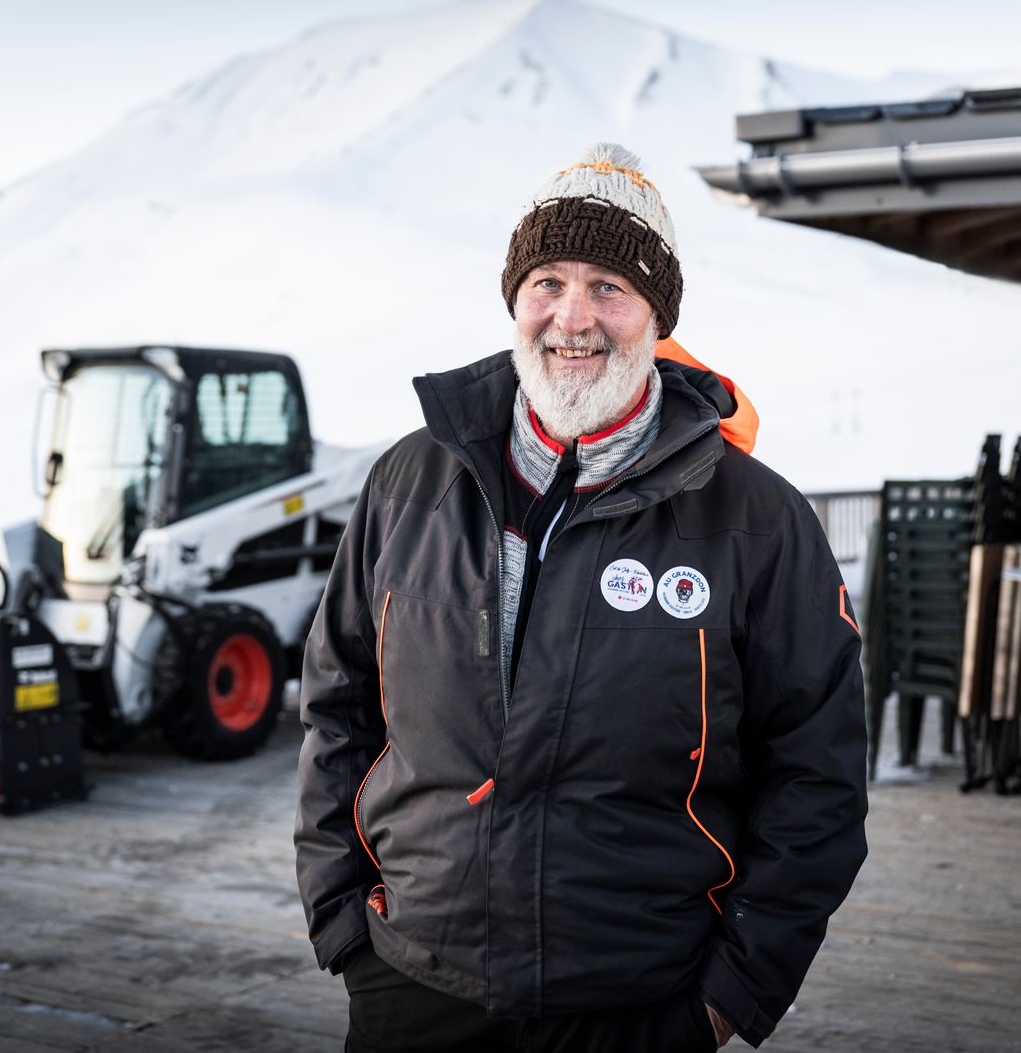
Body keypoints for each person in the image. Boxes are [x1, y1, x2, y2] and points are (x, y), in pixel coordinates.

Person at [295, 143, 867, 1052]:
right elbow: (338, 710)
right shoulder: (411, 482)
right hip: (413, 982)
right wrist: (342, 923)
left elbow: (818, 778)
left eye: (610, 286)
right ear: (514, 298)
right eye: (549, 281)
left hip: (642, 1000)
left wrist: (728, 996)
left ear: (655, 315)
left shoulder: (757, 522)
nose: (574, 316)